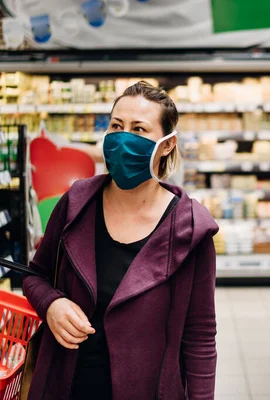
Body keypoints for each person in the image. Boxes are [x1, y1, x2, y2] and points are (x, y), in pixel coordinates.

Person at [23, 81, 218, 400]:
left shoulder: (190, 229)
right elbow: (35, 275)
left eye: (139, 129)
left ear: (167, 145)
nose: (123, 138)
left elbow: (200, 337)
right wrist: (52, 304)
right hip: (65, 385)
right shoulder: (76, 204)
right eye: (117, 126)